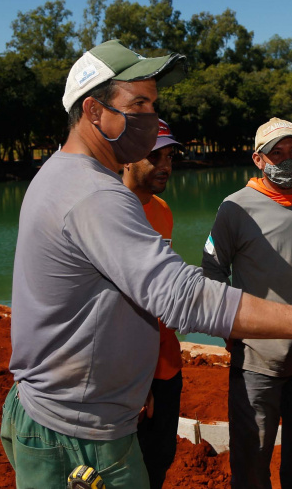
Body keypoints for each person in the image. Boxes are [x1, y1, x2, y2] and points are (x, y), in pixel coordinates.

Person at [0, 40, 292, 489]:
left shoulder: (62, 176)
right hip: (79, 436)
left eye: (153, 103)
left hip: (75, 416)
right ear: (94, 112)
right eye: (139, 103)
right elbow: (182, 294)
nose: (151, 117)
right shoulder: (96, 195)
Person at [202, 118, 292, 489]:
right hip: (256, 360)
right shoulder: (235, 208)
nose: (288, 159)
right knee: (252, 461)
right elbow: (212, 273)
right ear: (258, 159)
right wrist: (229, 329)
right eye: (277, 153)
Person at [122, 119, 185, 489]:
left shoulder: (162, 209)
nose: (165, 165)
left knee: (159, 459)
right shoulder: (110, 213)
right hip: (131, 371)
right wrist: (136, 377)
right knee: (127, 468)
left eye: (169, 156)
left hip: (166, 363)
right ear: (126, 157)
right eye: (153, 155)